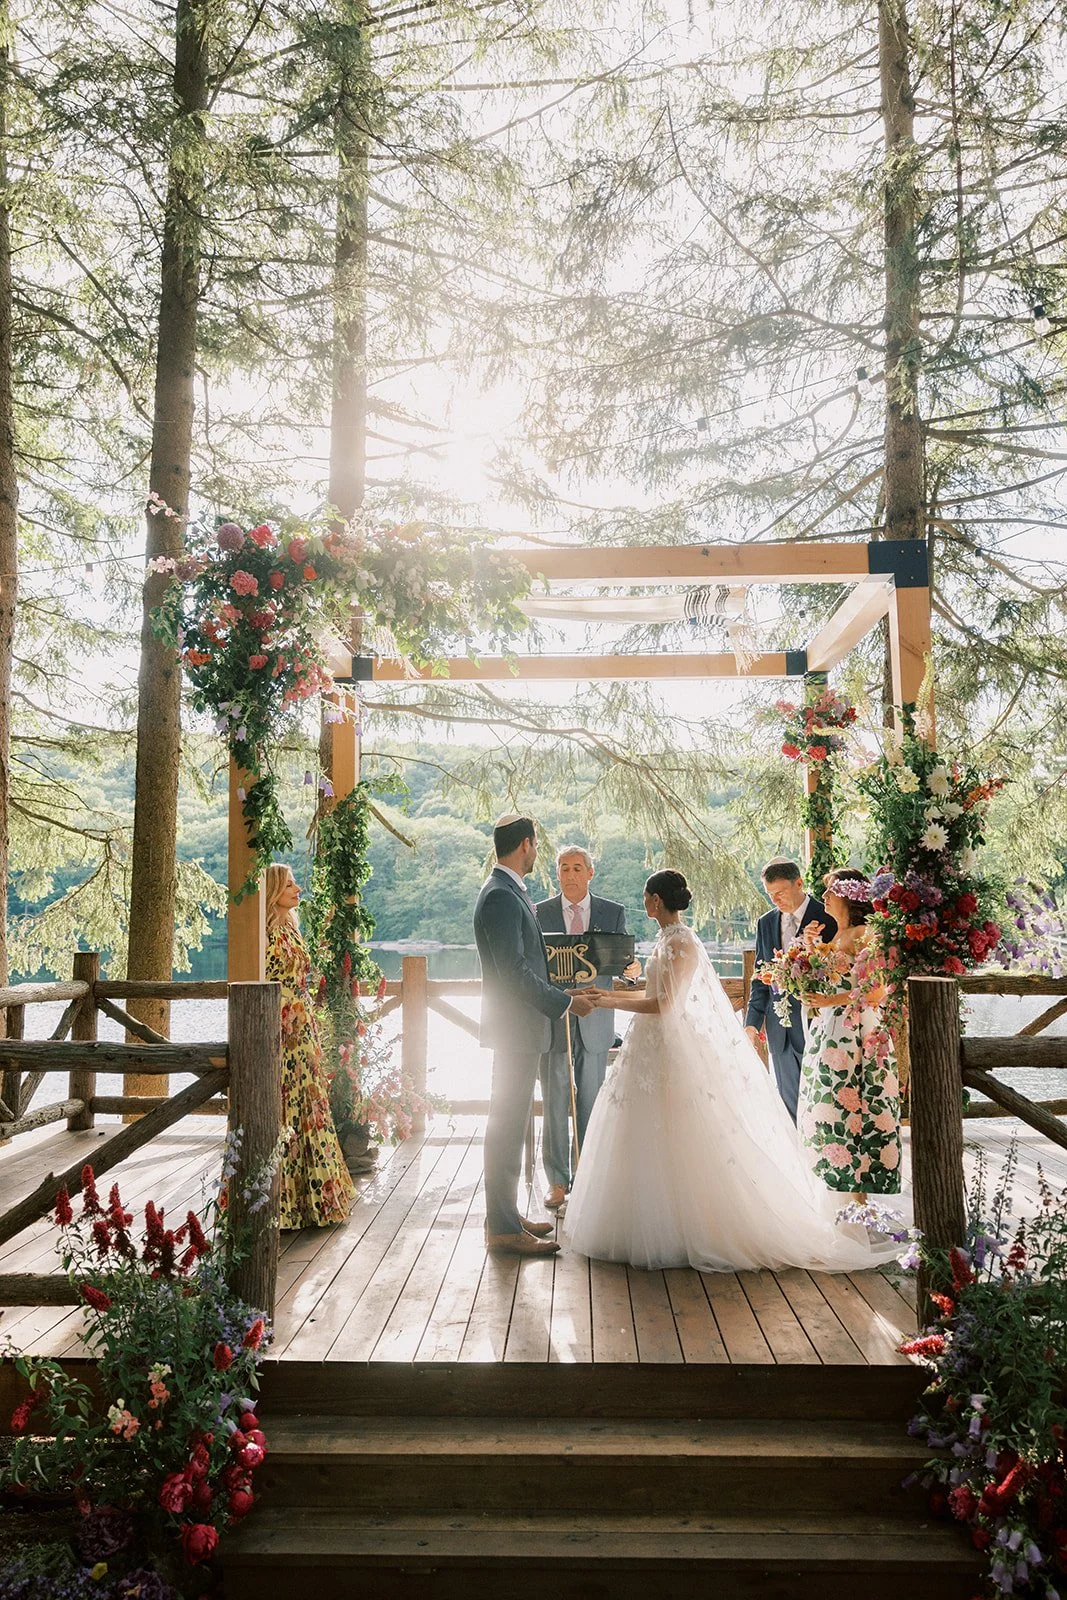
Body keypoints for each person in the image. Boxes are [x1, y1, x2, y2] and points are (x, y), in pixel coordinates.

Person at [564, 869, 901, 1273]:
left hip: (670, 1044)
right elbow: (653, 993)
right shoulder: (665, 940)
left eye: (646, 897)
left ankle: (688, 1227)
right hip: (651, 1047)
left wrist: (606, 1001)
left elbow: (666, 1004)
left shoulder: (681, 943)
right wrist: (605, 993)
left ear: (656, 901)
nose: (644, 903)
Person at [473, 815, 598, 1257]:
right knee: (506, 1125)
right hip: (515, 1031)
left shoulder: (506, 892)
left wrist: (564, 992)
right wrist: (565, 1003)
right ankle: (503, 1228)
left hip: (520, 1030)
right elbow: (515, 973)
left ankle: (503, 1216)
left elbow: (528, 969)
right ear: (525, 844)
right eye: (536, 845)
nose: (537, 852)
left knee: (509, 1122)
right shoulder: (502, 897)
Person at [536, 846, 637, 1209]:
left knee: (592, 1098)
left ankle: (588, 1175)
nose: (570, 874)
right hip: (554, 1019)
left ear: (590, 873)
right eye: (564, 868)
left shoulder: (613, 912)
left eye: (577, 868)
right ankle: (557, 1181)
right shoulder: (539, 912)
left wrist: (631, 971)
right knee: (555, 1097)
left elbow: (622, 963)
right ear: (558, 873)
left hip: (596, 1019)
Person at [797, 868, 901, 1198]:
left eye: (830, 892)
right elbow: (825, 979)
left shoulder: (865, 933)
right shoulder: (835, 937)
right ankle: (836, 1188)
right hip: (829, 1030)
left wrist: (831, 1000)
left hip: (856, 1031)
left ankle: (861, 1196)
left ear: (849, 896)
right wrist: (809, 947)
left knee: (858, 1104)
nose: (824, 897)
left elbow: (877, 990)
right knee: (829, 1106)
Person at [264, 864, 355, 1229]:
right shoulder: (264, 930)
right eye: (289, 884)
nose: (296, 888)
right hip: (280, 1030)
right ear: (273, 891)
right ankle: (280, 1201)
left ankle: (314, 1196)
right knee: (285, 1105)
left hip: (302, 1029)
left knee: (309, 1103)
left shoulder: (291, 925)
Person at [745, 859, 837, 1122]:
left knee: (822, 1101)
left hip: (817, 1023)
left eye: (780, 893)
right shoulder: (766, 922)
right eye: (769, 894)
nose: (775, 900)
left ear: (799, 883)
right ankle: (798, 1161)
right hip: (779, 1029)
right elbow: (760, 977)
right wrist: (752, 1023)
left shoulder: (829, 916)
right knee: (790, 1108)